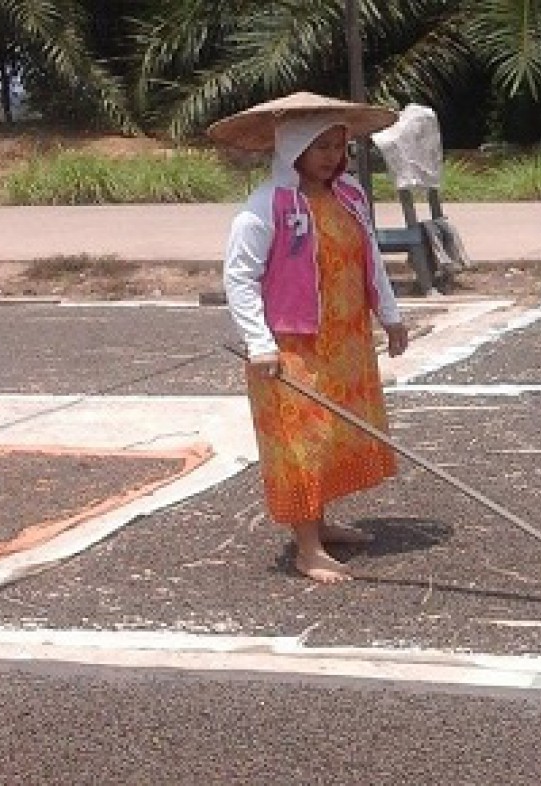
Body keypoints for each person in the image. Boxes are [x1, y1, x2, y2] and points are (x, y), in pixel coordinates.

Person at [210, 92, 409, 584]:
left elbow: (371, 259)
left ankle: (320, 524)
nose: (332, 157)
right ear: (292, 148)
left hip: (343, 341)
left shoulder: (350, 198)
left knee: (331, 437)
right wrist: (259, 343)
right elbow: (240, 277)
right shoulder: (265, 207)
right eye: (320, 146)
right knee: (302, 444)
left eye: (338, 146)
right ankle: (307, 548)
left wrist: (391, 314)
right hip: (290, 347)